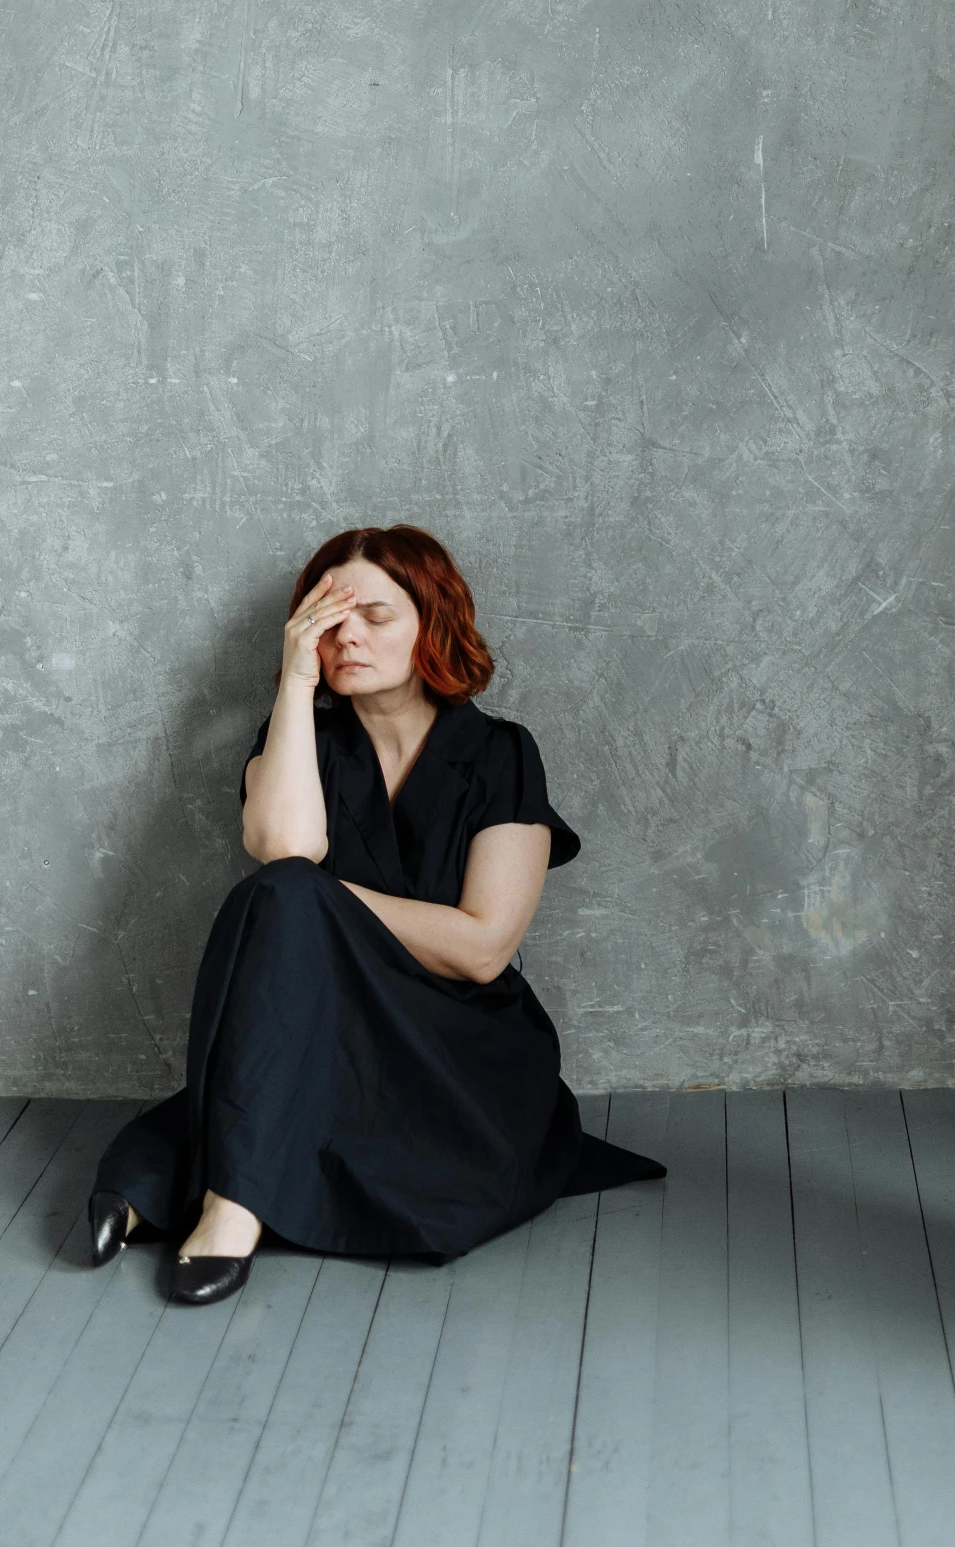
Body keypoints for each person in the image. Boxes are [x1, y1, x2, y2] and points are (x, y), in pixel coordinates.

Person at [88, 524, 663, 1306]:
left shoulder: (500, 753)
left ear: (433, 621)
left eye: (376, 617)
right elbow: (283, 848)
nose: (347, 637)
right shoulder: (299, 740)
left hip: (460, 1042)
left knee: (290, 900)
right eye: (328, 623)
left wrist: (330, 903)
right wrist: (293, 684)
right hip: (337, 1033)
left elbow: (482, 950)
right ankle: (235, 1204)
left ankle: (196, 1186)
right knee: (282, 894)